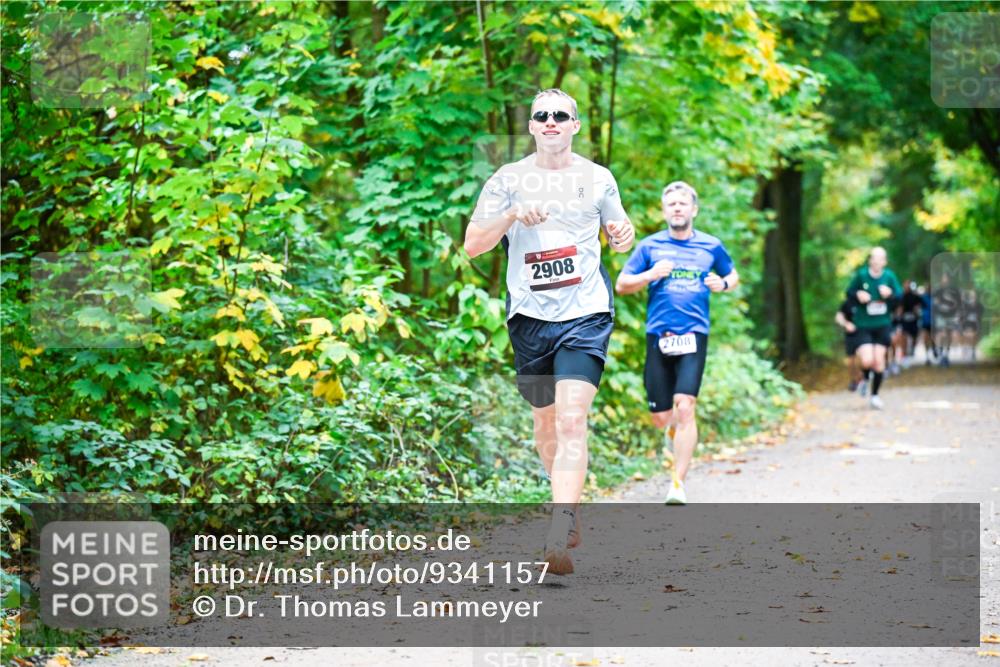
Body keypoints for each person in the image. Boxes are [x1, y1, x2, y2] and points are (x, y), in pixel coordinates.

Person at [464, 88, 635, 575]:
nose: (551, 121)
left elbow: (621, 234)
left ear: (575, 125)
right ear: (532, 126)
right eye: (542, 115)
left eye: (561, 114)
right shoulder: (508, 179)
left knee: (571, 419)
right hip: (530, 319)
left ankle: (558, 532)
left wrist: (623, 235)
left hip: (586, 314)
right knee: (545, 425)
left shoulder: (598, 178)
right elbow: (473, 245)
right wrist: (512, 214)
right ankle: (569, 505)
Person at [615, 181, 738, 505]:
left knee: (685, 406)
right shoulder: (650, 246)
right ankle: (670, 432)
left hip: (694, 334)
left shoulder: (711, 246)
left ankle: (678, 483)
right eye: (671, 204)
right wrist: (650, 275)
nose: (678, 208)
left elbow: (732, 275)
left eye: (683, 203)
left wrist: (723, 284)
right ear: (664, 210)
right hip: (659, 335)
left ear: (694, 209)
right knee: (661, 416)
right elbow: (622, 284)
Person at [845, 247, 902, 410]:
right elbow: (849, 293)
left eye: (880, 258)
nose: (877, 261)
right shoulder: (861, 275)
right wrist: (858, 295)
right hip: (863, 325)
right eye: (874, 258)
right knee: (867, 360)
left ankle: (875, 395)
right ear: (870, 260)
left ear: (885, 261)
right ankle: (864, 378)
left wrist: (890, 294)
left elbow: (899, 297)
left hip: (882, 324)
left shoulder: (889, 276)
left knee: (879, 362)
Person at [835, 296, 863, 391]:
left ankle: (862, 379)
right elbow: (838, 317)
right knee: (851, 360)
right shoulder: (848, 303)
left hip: (864, 334)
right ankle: (854, 380)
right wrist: (846, 324)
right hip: (851, 335)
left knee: (861, 357)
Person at [899, 280, 922, 363]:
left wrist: (917, 312)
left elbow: (919, 305)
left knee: (914, 336)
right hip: (904, 319)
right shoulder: (901, 296)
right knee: (904, 336)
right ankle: (905, 355)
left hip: (914, 319)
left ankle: (912, 349)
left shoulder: (915, 296)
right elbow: (900, 308)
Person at [918, 284, 937, 364]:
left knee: (933, 338)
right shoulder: (923, 298)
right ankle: (927, 356)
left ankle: (934, 348)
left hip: (933, 321)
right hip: (925, 321)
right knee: (926, 338)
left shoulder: (935, 298)